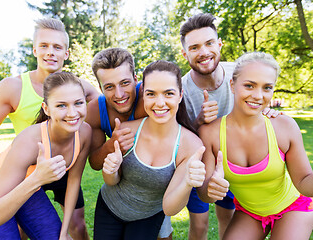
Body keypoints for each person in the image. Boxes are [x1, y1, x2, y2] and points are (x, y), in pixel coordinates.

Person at [0, 18, 99, 239]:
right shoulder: (13, 88)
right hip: (20, 173)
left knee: (71, 229)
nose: (50, 52)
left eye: (57, 47)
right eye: (44, 45)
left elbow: (110, 105)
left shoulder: (80, 90)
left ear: (67, 53)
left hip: (54, 168)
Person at [179, 13, 280, 239]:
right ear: (185, 54)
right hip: (202, 164)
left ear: (219, 44)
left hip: (238, 161)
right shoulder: (181, 90)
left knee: (230, 219)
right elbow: (180, 138)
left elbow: (259, 96)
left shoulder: (240, 73)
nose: (204, 52)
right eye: (194, 47)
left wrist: (267, 109)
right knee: (199, 225)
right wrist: (199, 122)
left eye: (209, 43)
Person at [198, 52, 313, 239]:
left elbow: (303, 182)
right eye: (249, 85)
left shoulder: (284, 127)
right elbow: (204, 194)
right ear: (232, 85)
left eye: (267, 88)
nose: (258, 96)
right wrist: (211, 189)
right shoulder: (210, 133)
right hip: (250, 212)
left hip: (293, 207)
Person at [0, 72, 92, 239]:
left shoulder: (84, 132)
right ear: (46, 109)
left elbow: (74, 180)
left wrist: (64, 233)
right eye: (61, 105)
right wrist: (37, 179)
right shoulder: (29, 141)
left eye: (78, 103)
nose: (72, 113)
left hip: (31, 192)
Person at [93, 60, 206, 240]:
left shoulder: (191, 146)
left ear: (180, 95)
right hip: (109, 208)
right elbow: (112, 181)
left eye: (168, 93)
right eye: (151, 94)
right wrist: (110, 170)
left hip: (147, 217)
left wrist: (187, 183)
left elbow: (169, 207)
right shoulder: (126, 130)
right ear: (143, 96)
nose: (159, 103)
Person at [86, 48, 173, 239]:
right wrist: (111, 145)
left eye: (125, 83)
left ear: (136, 78)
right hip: (120, 189)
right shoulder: (95, 110)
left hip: (157, 187)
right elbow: (94, 163)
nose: (119, 94)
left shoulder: (151, 98)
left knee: (164, 235)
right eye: (109, 87)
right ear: (100, 87)